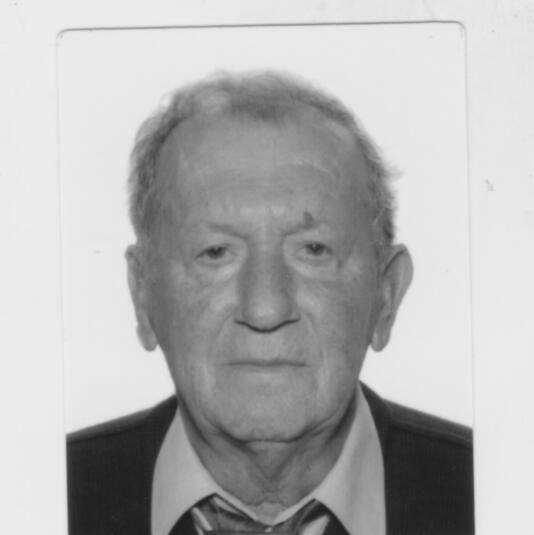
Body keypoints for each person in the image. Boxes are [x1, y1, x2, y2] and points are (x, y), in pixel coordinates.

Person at [67, 71, 474, 535]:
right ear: (143, 295)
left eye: (314, 250)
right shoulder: (40, 490)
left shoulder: (500, 486)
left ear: (386, 295)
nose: (265, 310)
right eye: (215, 253)